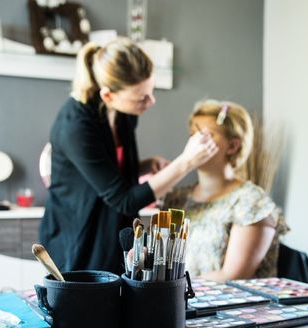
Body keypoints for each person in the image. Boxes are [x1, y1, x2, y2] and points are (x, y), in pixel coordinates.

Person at [39, 38, 218, 274]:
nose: (150, 102)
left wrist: (142, 166)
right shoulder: (76, 127)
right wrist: (186, 162)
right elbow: (124, 200)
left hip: (112, 231)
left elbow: (110, 170)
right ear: (108, 96)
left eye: (151, 91)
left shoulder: (124, 112)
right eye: (141, 97)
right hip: (78, 237)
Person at [163, 99, 288, 281]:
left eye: (204, 136)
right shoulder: (176, 199)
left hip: (228, 306)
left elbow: (232, 276)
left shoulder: (250, 202)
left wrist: (172, 288)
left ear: (232, 146)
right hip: (180, 304)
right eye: (192, 135)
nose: (194, 143)